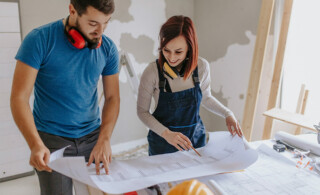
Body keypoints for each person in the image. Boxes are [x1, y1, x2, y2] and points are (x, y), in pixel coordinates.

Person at [10, 0, 119, 194]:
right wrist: (35, 144)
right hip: (51, 142)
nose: (100, 31)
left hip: (93, 138)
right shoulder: (39, 40)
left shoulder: (108, 48)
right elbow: (19, 98)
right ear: (72, 10)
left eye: (106, 23)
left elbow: (112, 98)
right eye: (93, 24)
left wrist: (105, 139)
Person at [137, 15, 242, 156]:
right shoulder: (152, 72)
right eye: (166, 50)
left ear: (190, 48)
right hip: (163, 145)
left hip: (195, 141)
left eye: (178, 52)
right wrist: (167, 134)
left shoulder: (202, 67)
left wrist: (227, 114)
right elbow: (142, 111)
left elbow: (206, 98)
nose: (172, 58)